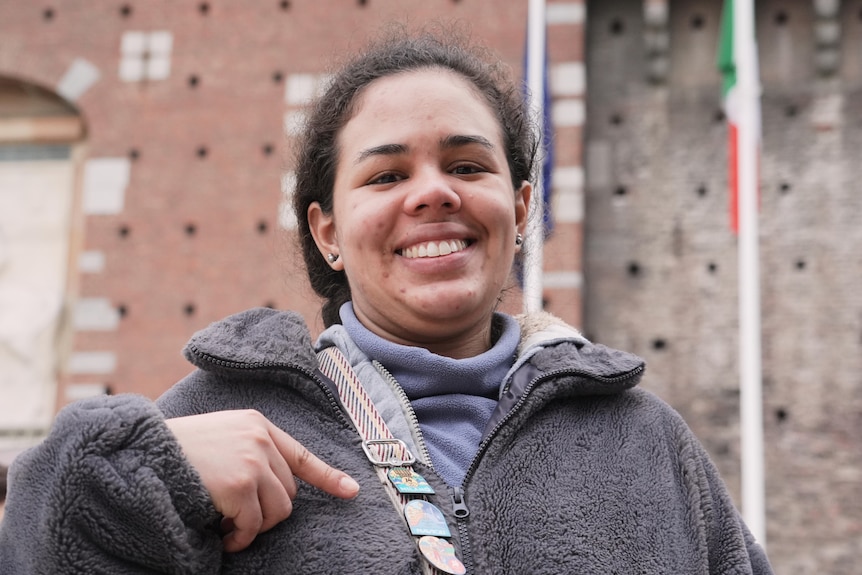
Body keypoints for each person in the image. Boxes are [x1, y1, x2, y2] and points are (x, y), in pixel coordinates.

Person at [0, 30, 773, 574]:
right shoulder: (215, 418)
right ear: (327, 231)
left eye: (468, 165)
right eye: (386, 175)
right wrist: (130, 478)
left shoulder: (646, 441)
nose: (434, 192)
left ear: (522, 207)